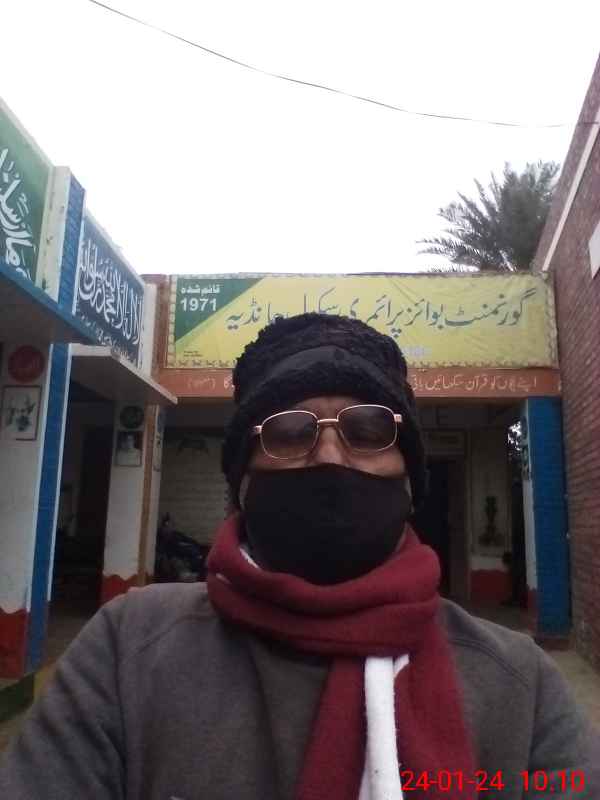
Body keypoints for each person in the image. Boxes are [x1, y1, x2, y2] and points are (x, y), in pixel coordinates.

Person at [1, 313, 598, 799]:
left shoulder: (519, 686)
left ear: (410, 481)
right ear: (242, 482)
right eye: (290, 432)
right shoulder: (128, 650)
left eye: (368, 430)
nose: (331, 456)